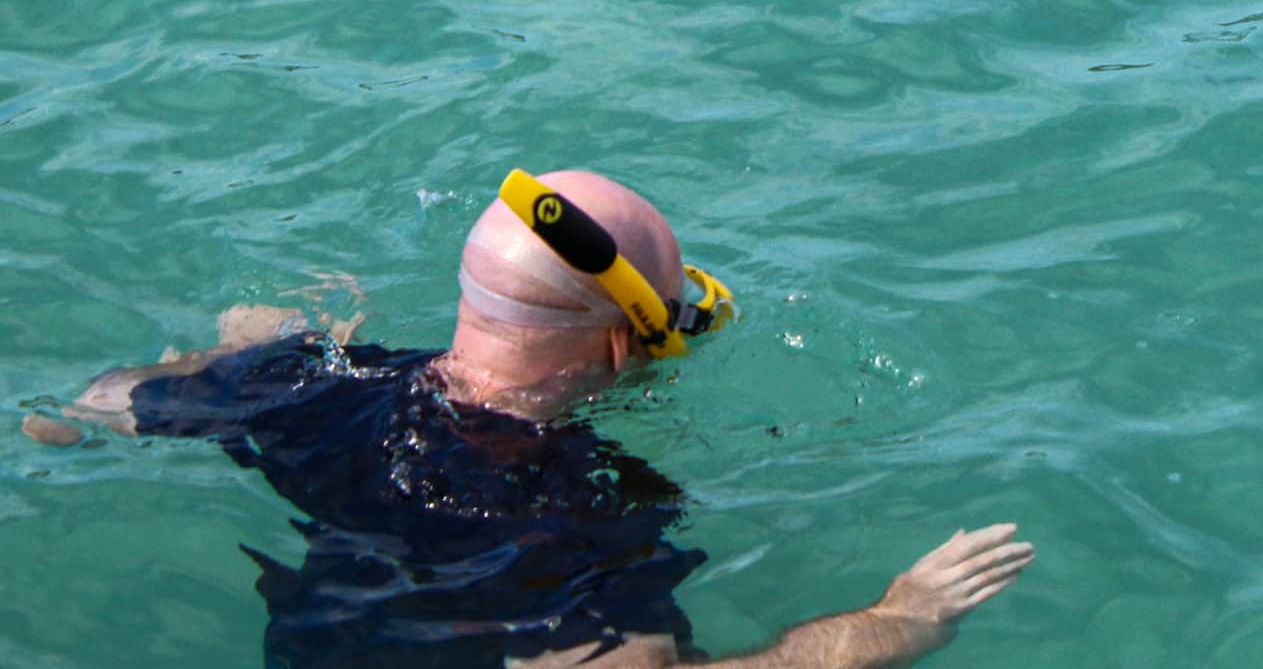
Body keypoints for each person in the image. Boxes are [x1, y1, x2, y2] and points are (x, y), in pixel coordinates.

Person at [25, 169, 1032, 668]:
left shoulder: (320, 381)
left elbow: (89, 404)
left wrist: (244, 354)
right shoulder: (576, 510)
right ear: (612, 347)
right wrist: (895, 618)